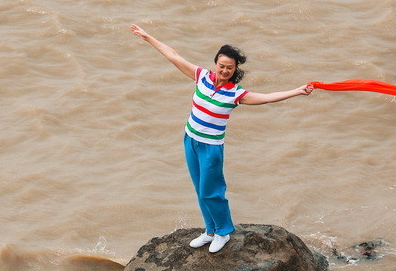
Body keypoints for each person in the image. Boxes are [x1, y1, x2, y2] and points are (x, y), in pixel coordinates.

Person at [129, 25, 314, 253]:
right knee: (199, 189)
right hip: (190, 140)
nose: (225, 70)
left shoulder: (236, 94)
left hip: (211, 148)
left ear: (235, 69)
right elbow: (174, 56)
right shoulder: (202, 77)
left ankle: (223, 231)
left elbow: (266, 98)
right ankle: (209, 231)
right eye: (222, 66)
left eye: (230, 68)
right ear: (215, 63)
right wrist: (148, 37)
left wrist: (297, 91)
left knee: (212, 191)